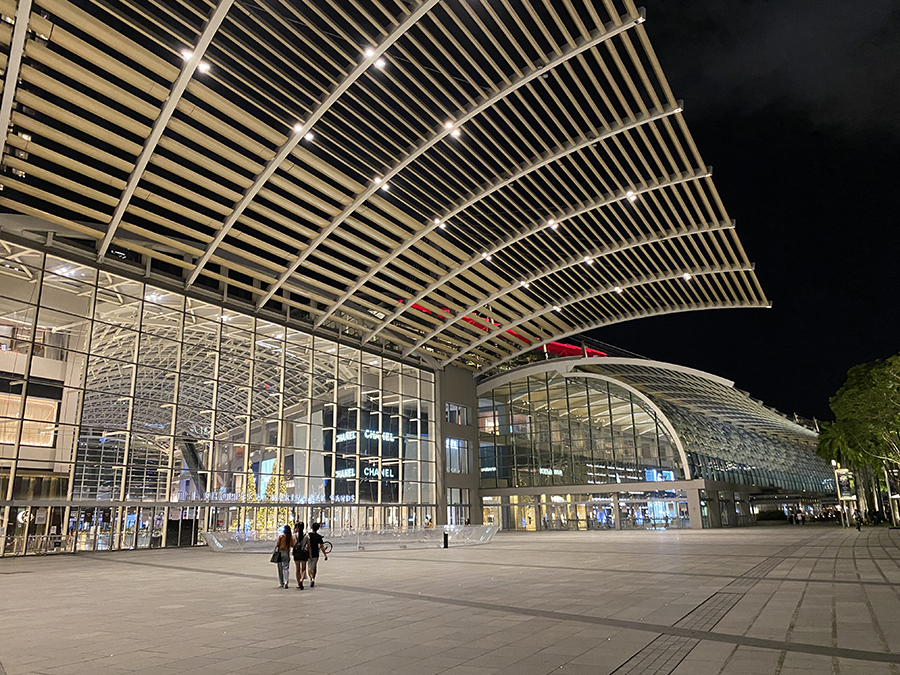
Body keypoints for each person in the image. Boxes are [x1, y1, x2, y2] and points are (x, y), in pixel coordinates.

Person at [307, 522, 328, 588]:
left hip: (309, 553)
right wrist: (325, 555)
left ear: (312, 527)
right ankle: (313, 578)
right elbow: (322, 546)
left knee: (309, 567)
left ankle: (311, 578)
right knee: (315, 567)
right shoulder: (319, 537)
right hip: (316, 553)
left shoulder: (308, 535)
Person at [275, 524, 294, 589]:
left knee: (280, 568)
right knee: (286, 568)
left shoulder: (281, 537)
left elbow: (277, 544)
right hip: (286, 553)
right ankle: (286, 581)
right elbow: (292, 545)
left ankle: (281, 582)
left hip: (280, 552)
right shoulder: (290, 537)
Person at [293, 522, 309, 589]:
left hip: (296, 553)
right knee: (304, 569)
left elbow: (293, 545)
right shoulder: (306, 536)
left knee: (297, 569)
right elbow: (309, 546)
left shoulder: (295, 535)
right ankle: (301, 579)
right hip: (303, 553)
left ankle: (298, 583)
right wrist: (310, 553)